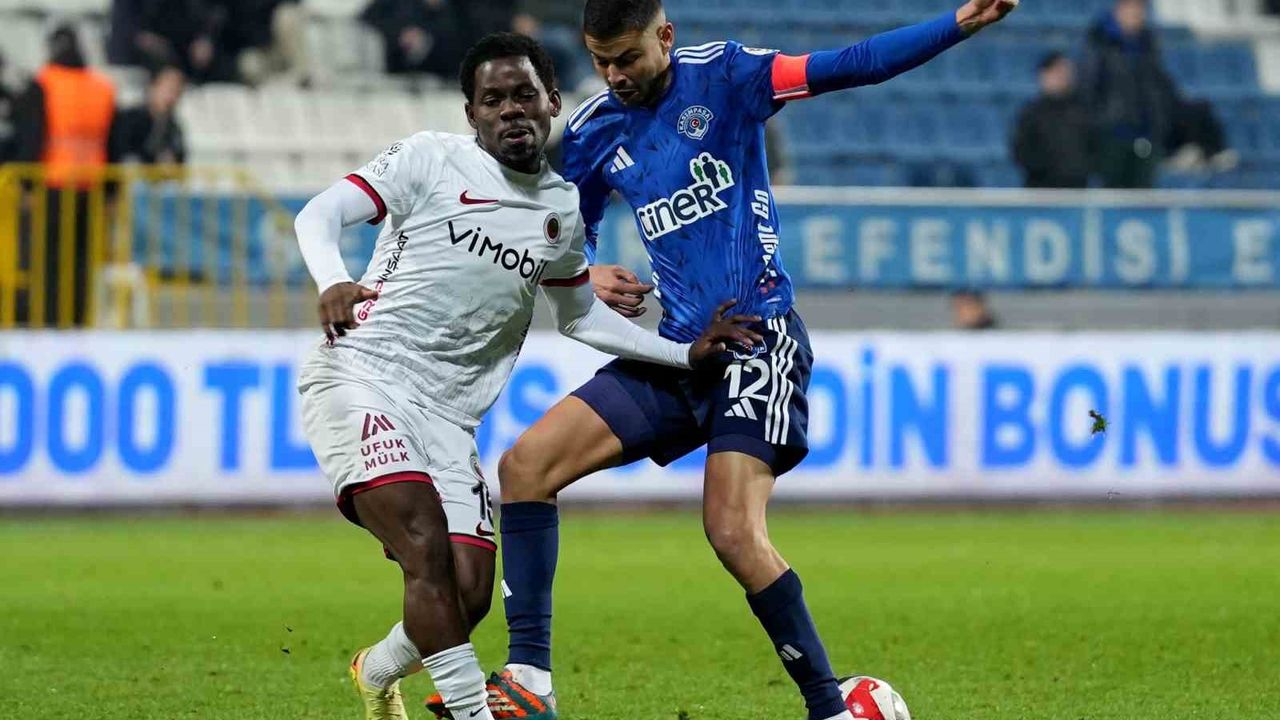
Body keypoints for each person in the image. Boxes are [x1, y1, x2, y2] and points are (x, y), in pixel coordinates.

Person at [448, 2, 1018, 720]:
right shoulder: (594, 130)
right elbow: (561, 233)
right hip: (684, 348)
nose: (615, 75)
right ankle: (530, 675)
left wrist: (956, 23)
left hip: (758, 339)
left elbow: (851, 65)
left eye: (628, 58)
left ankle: (829, 706)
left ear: (665, 36)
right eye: (601, 61)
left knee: (731, 529)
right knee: (525, 467)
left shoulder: (727, 76)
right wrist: (586, 272)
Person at [292, 32, 757, 720]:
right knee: (424, 543)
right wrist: (333, 279)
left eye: (524, 95)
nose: (511, 109)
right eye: (493, 99)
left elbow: (582, 317)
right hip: (364, 376)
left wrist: (683, 355)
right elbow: (320, 213)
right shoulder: (428, 158)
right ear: (472, 113)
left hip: (450, 420)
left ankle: (377, 670)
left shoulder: (559, 210)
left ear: (552, 102)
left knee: (468, 593)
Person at [13, 24, 118, 327]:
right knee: (82, 260)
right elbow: (113, 143)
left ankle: (49, 322)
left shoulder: (44, 84)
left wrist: (26, 186)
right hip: (91, 185)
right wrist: (111, 191)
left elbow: (32, 138)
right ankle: (77, 321)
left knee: (47, 260)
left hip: (52, 183)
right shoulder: (102, 88)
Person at [1080, 0, 1176, 189]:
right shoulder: (1099, 41)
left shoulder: (1149, 44)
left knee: (1144, 195)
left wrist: (1159, 120)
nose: (1136, 14)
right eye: (1131, 8)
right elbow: (1089, 86)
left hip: (1146, 133)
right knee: (1113, 194)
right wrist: (1099, 122)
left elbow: (1158, 85)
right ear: (1119, 9)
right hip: (1112, 135)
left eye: (1140, 9)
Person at [1012, 52, 1094, 188]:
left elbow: (1094, 147)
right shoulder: (1031, 113)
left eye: (1066, 72)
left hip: (1077, 189)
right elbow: (1020, 152)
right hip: (1041, 190)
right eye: (1057, 72)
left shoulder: (1084, 111)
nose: (1063, 77)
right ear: (1044, 75)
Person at [359, 0, 468, 77]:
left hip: (447, 79)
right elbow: (367, 18)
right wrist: (400, 35)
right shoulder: (396, 5)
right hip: (398, 76)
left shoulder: (462, 8)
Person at [111, 66, 187, 165]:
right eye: (168, 90)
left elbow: (179, 156)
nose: (171, 97)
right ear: (152, 88)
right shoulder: (129, 118)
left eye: (177, 92)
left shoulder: (173, 127)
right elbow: (120, 151)